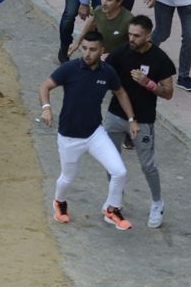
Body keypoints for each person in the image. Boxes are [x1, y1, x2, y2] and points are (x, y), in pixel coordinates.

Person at [38, 30, 134, 230]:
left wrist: (132, 119)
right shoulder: (69, 69)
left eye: (92, 49)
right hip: (69, 137)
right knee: (67, 178)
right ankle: (59, 203)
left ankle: (111, 210)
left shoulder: (107, 72)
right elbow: (45, 86)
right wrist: (46, 108)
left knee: (119, 172)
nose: (87, 53)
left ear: (102, 50)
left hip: (94, 133)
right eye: (84, 49)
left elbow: (121, 92)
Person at [103, 13, 172, 227]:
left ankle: (157, 203)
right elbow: (105, 72)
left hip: (143, 120)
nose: (132, 39)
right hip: (115, 115)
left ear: (148, 35)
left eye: (137, 36)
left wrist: (148, 83)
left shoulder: (160, 59)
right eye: (130, 34)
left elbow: (168, 93)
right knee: (111, 160)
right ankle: (116, 199)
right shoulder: (120, 52)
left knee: (147, 165)